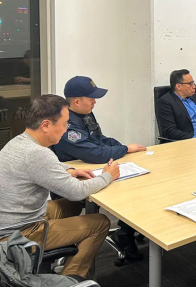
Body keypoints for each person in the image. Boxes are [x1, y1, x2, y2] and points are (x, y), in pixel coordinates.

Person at [0, 94, 120, 279]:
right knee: (100, 222)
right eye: (64, 124)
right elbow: (76, 191)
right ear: (46, 125)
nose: (66, 130)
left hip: (12, 219)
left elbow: (38, 167)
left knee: (70, 206)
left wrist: (68, 169)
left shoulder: (18, 142)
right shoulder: (38, 154)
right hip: (18, 233)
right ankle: (71, 279)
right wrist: (107, 176)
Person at [51, 75, 147, 261]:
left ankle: (125, 234)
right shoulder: (67, 124)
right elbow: (93, 153)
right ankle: (114, 236)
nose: (95, 102)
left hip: (96, 168)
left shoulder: (85, 114)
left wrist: (122, 147)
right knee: (130, 188)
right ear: (77, 101)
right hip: (78, 179)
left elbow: (99, 139)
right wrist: (125, 149)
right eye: (91, 98)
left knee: (139, 184)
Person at [157, 69, 196, 141]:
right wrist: (195, 138)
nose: (194, 86)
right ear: (178, 86)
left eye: (193, 83)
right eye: (190, 84)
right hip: (191, 141)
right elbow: (170, 131)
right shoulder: (166, 102)